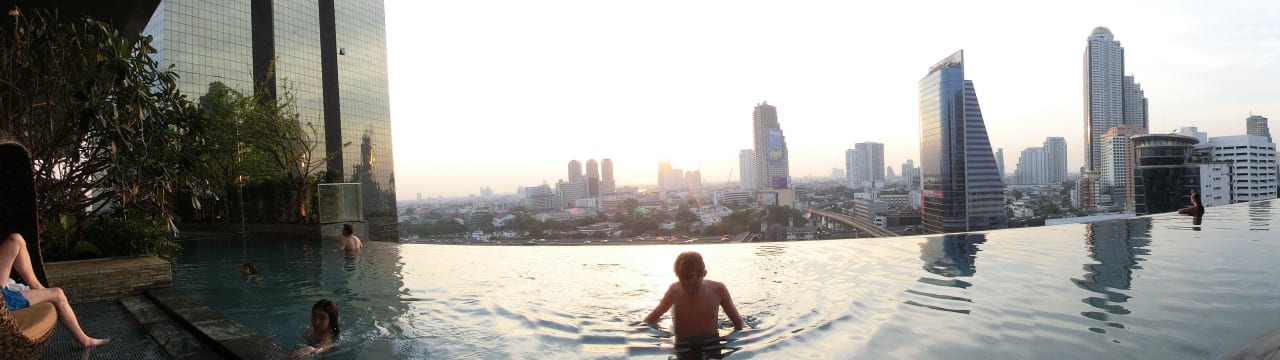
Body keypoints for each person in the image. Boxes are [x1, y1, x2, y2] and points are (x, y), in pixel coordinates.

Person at [1, 233, 109, 348]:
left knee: (16, 239)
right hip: (2, 299)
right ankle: (85, 340)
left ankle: (38, 287)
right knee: (58, 294)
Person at [643, 251, 745, 351]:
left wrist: (731, 341)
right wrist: (664, 337)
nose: (689, 287)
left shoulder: (718, 290)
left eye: (694, 284)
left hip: (712, 343)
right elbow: (650, 320)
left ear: (704, 274)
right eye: (683, 282)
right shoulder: (674, 291)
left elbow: (739, 324)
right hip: (683, 346)